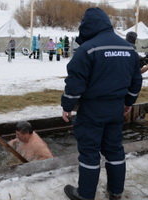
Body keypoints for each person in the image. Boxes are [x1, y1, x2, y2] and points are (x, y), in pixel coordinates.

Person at [61, 8, 142, 200]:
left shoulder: (87, 49)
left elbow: (75, 83)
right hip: (116, 109)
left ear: (87, 26)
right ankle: (116, 192)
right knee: (115, 150)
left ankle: (85, 195)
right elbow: (136, 81)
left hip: (92, 109)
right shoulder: (129, 49)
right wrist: (128, 102)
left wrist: (67, 106)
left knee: (89, 152)